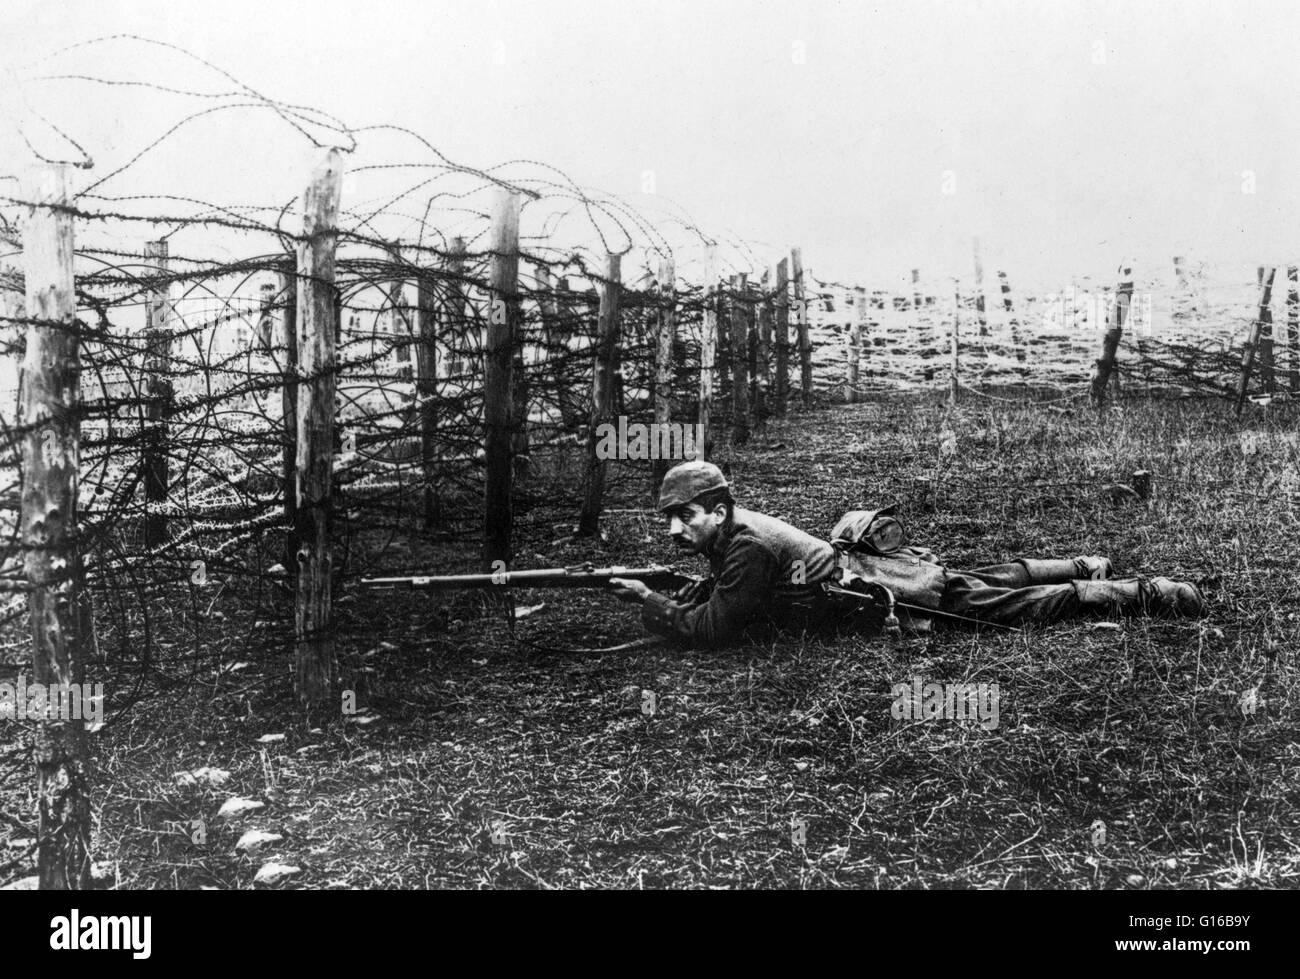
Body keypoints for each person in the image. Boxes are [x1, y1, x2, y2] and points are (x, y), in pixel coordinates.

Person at [609, 460, 1204, 650]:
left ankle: (1150, 593)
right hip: (877, 572)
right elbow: (733, 597)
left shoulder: (745, 546)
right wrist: (683, 591)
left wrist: (654, 604)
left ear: (717, 509)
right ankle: (1084, 562)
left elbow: (718, 628)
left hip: (887, 592)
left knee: (1013, 603)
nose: (672, 529)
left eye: (683, 516)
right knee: (983, 576)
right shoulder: (736, 531)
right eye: (668, 518)